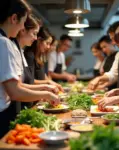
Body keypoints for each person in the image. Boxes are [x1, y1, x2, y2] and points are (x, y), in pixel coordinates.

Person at [0, 0, 59, 138]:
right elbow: (15, 91)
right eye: (23, 21)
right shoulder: (4, 43)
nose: (22, 27)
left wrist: (46, 88)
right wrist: (46, 94)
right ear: (14, 18)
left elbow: (18, 84)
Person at [11, 14, 60, 109]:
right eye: (34, 33)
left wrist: (46, 87)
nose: (36, 38)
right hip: (14, 107)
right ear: (23, 30)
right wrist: (45, 91)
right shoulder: (10, 46)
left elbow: (22, 84)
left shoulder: (20, 51)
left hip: (22, 104)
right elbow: (16, 89)